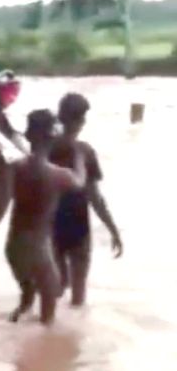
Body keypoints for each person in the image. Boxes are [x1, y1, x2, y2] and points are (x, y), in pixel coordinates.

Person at [7, 109, 86, 325]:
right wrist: (78, 155)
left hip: (13, 247)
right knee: (48, 315)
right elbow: (79, 181)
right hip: (38, 249)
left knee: (26, 300)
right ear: (53, 135)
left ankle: (12, 341)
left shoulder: (16, 168)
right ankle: (40, 353)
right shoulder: (59, 175)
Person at [51, 93, 122, 307]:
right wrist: (113, 229)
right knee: (78, 295)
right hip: (79, 227)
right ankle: (71, 337)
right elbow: (95, 197)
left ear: (59, 116)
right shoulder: (85, 151)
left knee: (56, 287)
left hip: (51, 226)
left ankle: (49, 333)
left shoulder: (46, 149)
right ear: (81, 120)